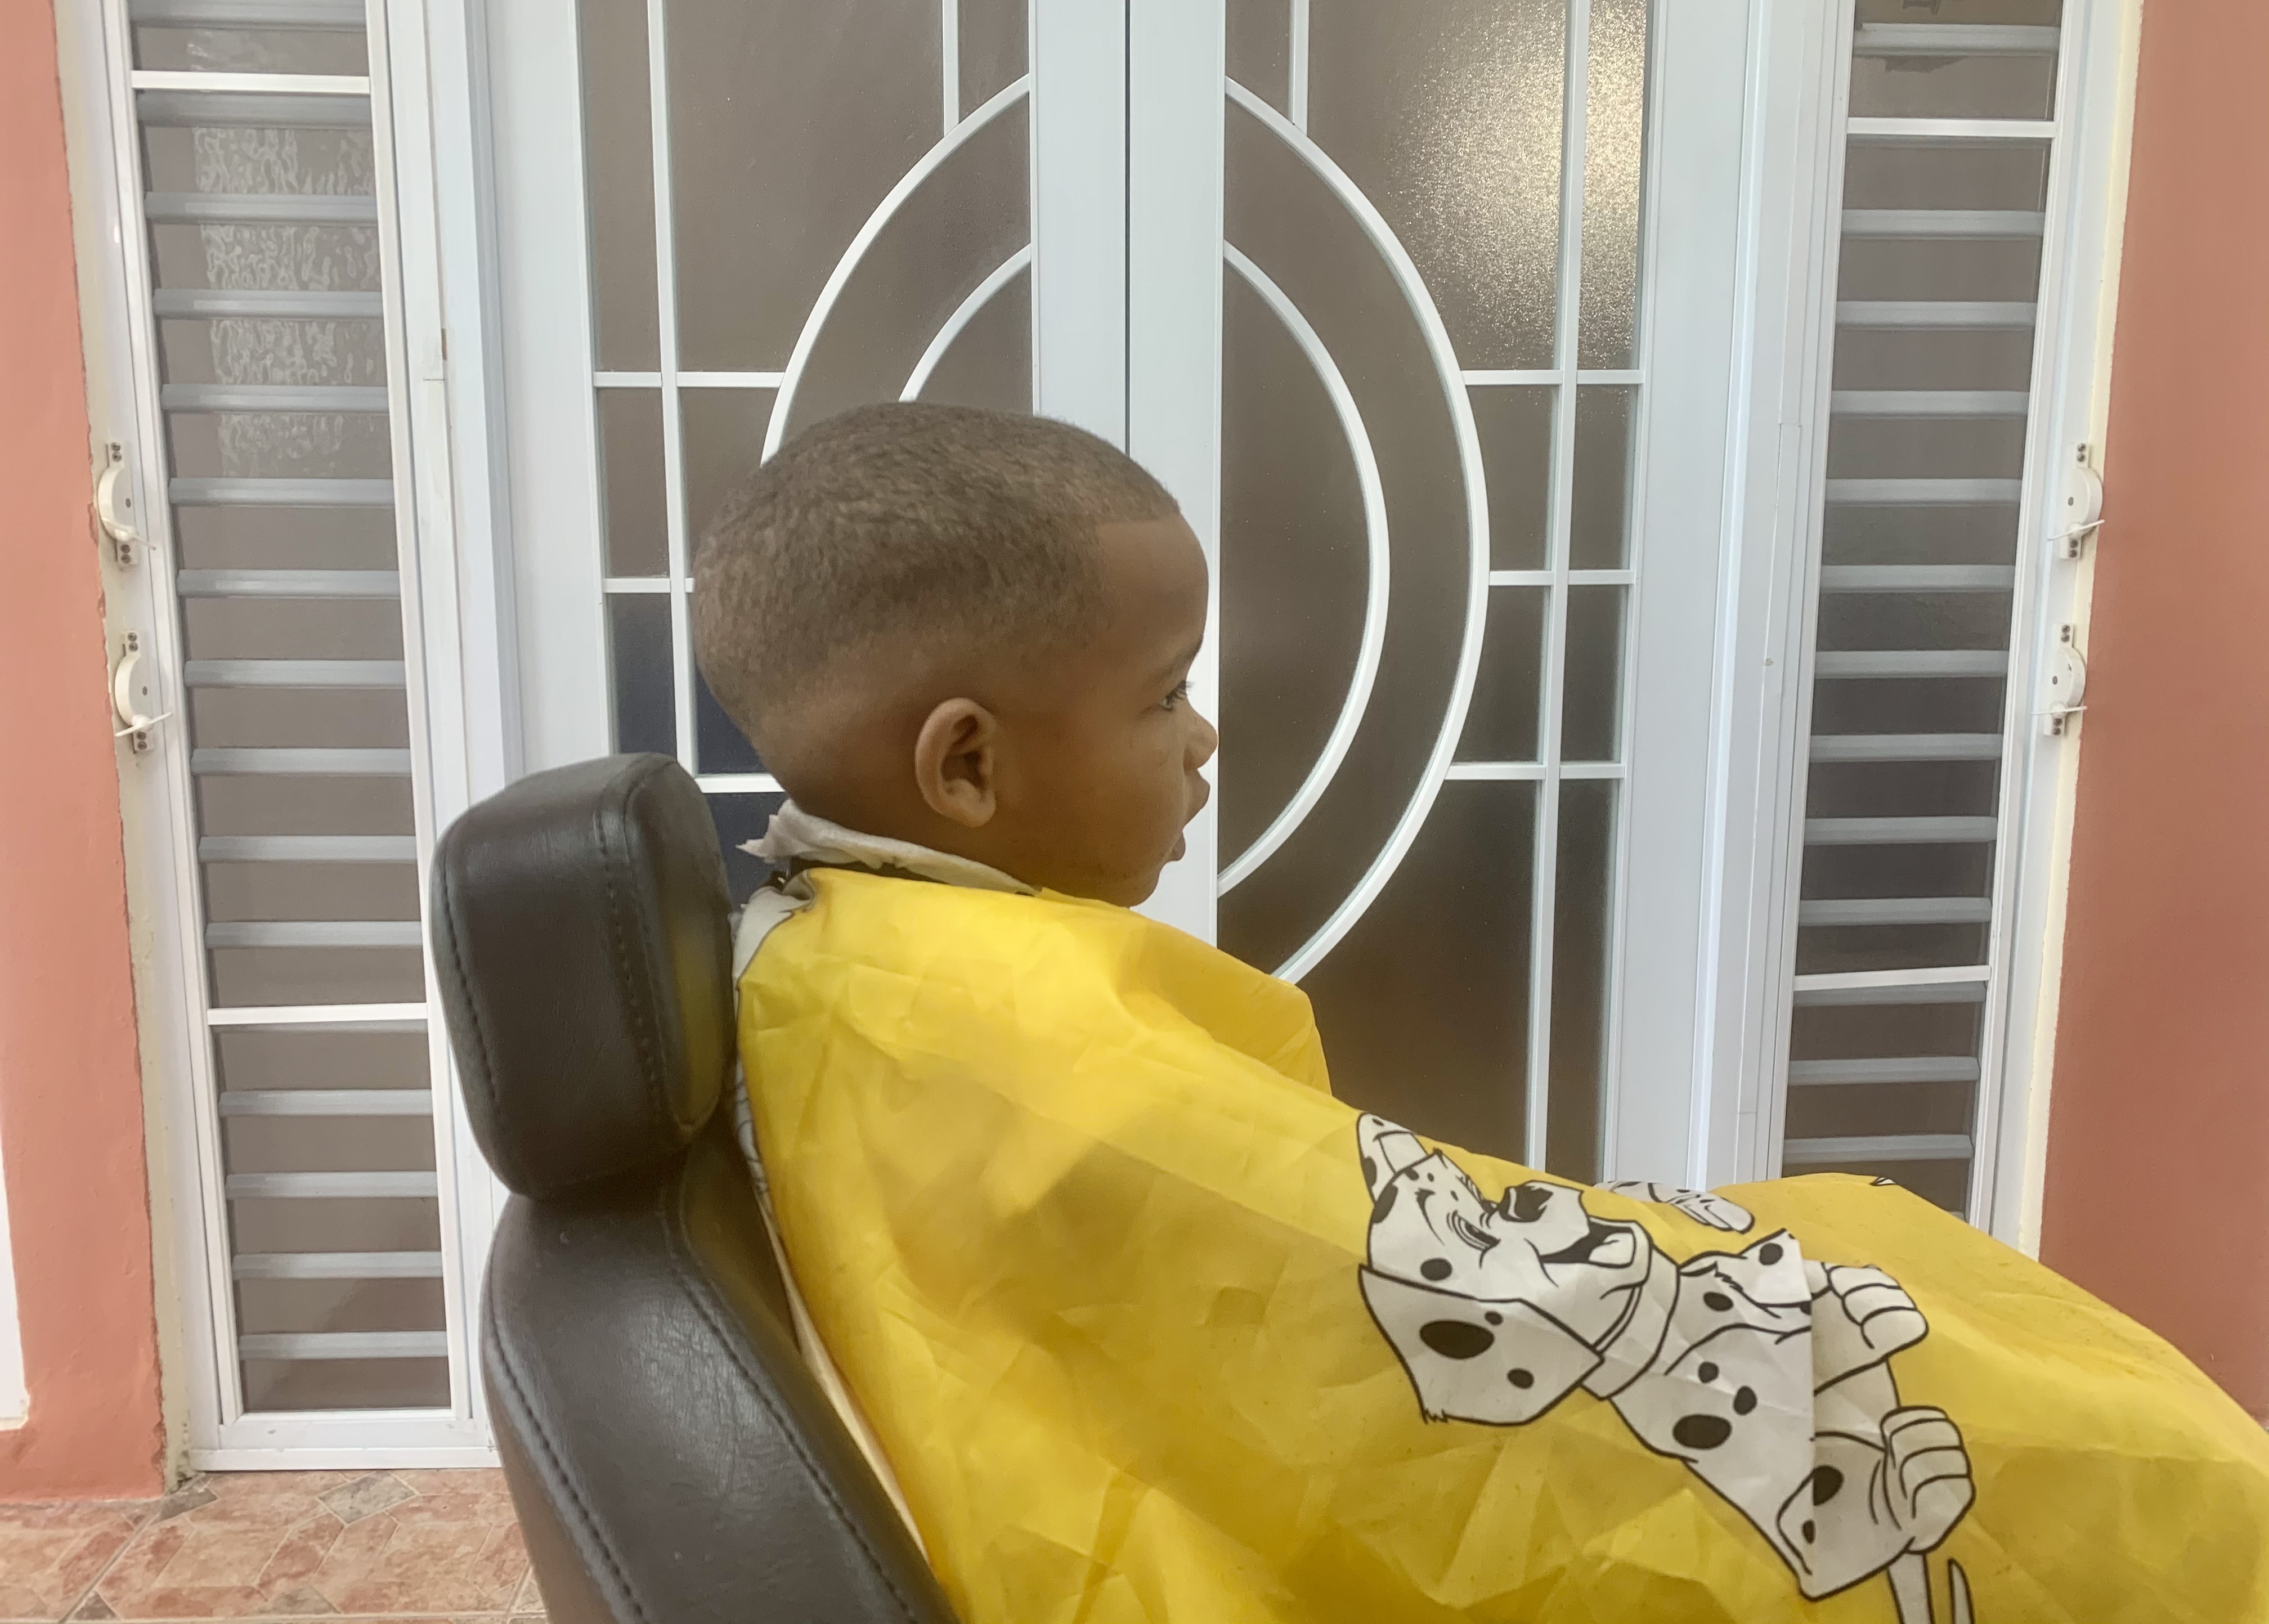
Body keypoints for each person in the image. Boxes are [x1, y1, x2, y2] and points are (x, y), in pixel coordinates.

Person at [692, 402, 2269, 1624]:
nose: (1205, 738)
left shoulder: (854, 961)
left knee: (1899, 1282)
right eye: (1165, 694)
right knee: (2099, 1462)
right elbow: (1364, 1340)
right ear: (968, 766)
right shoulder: (1009, 1045)